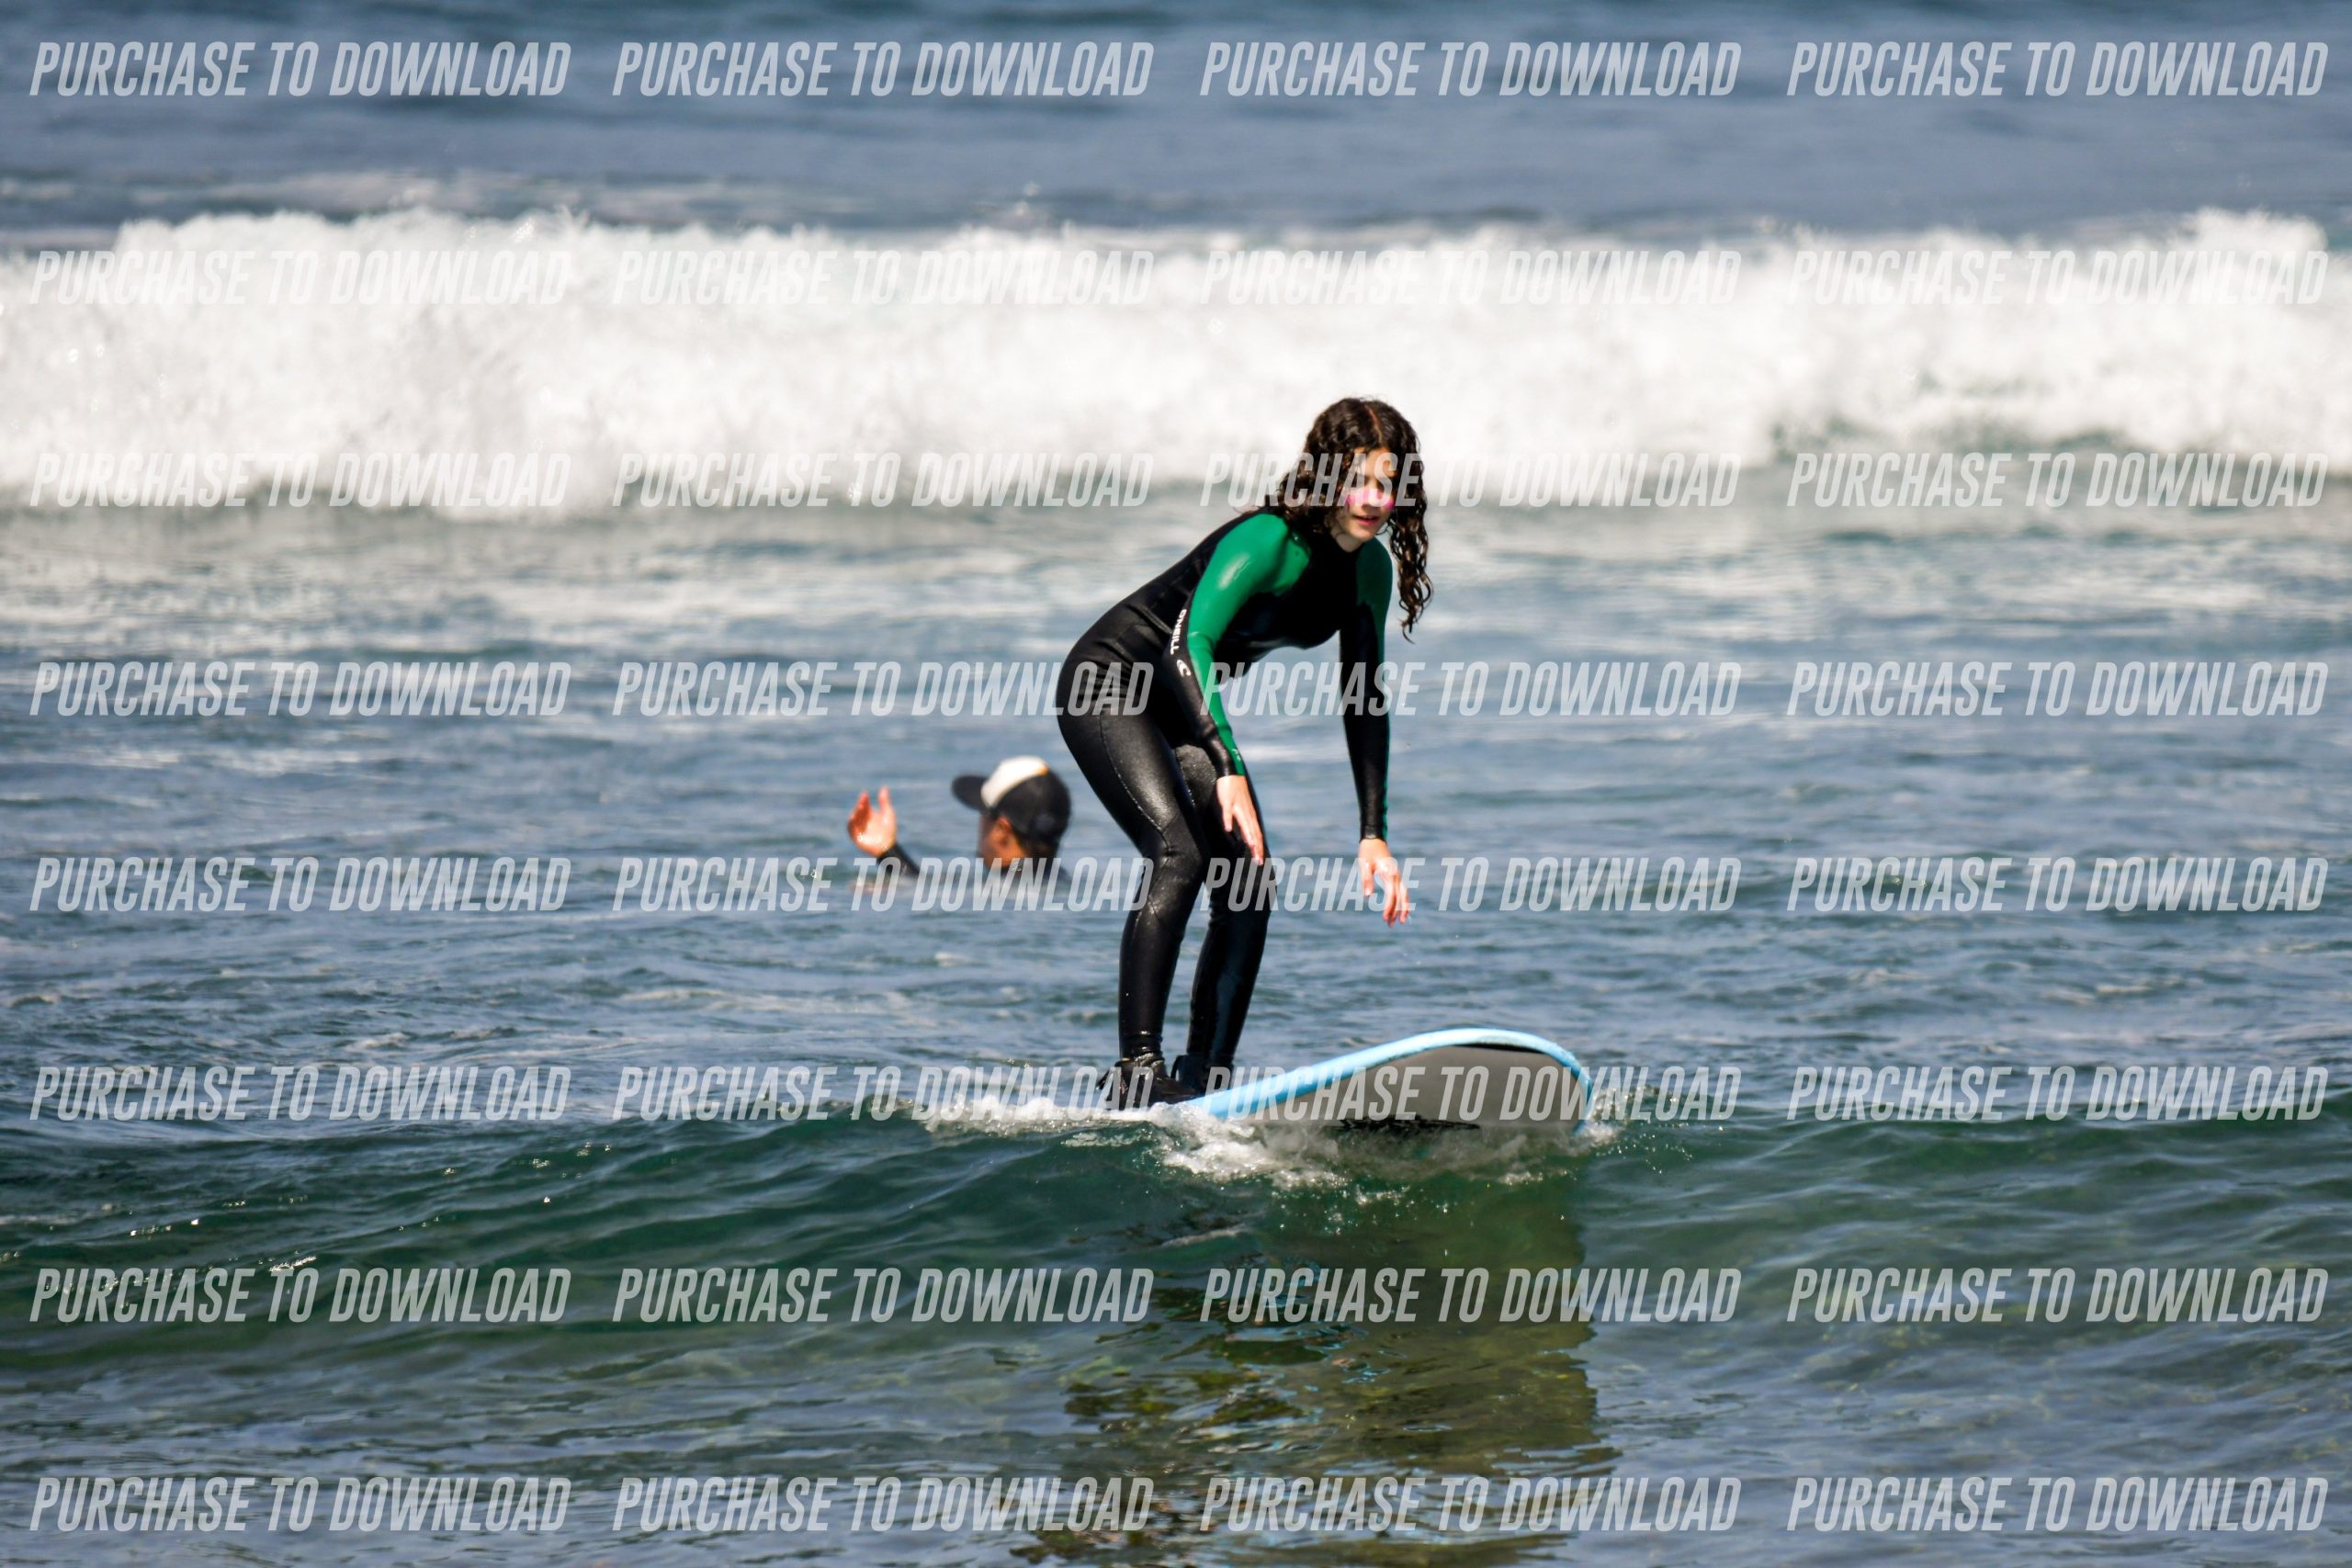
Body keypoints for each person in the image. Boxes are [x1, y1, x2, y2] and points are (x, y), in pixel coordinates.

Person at [1055, 397, 1426, 1107]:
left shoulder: (1367, 573)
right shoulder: (1268, 540)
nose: (1372, 500)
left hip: (1177, 708)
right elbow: (1186, 640)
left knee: (1249, 880)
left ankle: (1207, 1082)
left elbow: (1364, 699)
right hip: (1108, 682)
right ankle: (1137, 1069)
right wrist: (1225, 764)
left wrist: (1373, 832)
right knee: (1179, 853)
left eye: (1387, 483)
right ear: (1326, 475)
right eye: (1358, 480)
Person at [847, 756, 1070, 874]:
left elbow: (925, 895)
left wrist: (886, 851)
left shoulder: (1004, 895)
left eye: (983, 812)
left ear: (1002, 829)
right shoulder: (1059, 881)